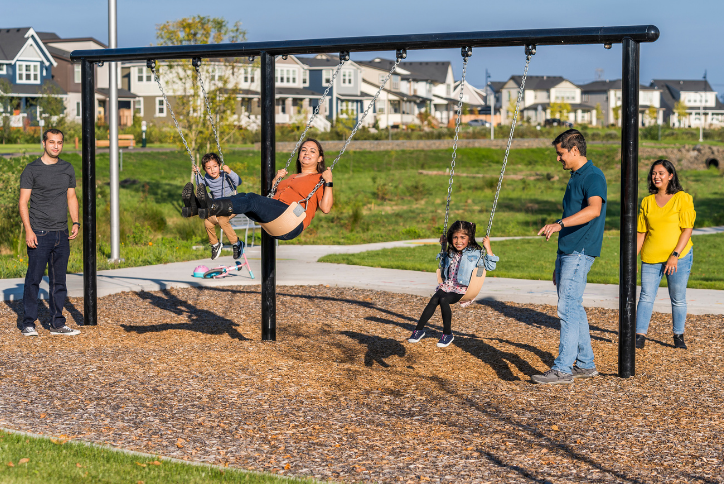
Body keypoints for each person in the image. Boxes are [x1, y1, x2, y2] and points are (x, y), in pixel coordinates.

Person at [533, 129, 607, 384]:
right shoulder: (576, 177)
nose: (558, 159)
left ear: (574, 150)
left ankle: (563, 369)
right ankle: (585, 364)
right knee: (574, 307)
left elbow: (594, 210)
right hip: (568, 251)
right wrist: (559, 259)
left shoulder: (593, 176)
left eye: (560, 153)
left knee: (566, 308)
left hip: (580, 250)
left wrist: (560, 224)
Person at [182, 139, 333, 240]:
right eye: (304, 150)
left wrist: (329, 182)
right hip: (275, 219)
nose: (307, 153)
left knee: (251, 199)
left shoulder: (319, 179)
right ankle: (197, 207)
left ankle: (210, 205)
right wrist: (276, 181)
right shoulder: (290, 177)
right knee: (243, 197)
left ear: (320, 158)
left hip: (292, 221)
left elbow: (325, 208)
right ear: (299, 155)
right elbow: (272, 198)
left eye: (312, 151)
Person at [18, 128, 80, 336]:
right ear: (44, 143)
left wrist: (76, 222)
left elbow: (71, 197)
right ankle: (28, 323)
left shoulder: (67, 168)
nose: (56, 146)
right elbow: (23, 202)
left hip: (61, 233)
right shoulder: (32, 169)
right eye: (52, 142)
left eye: (59, 142)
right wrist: (29, 230)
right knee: (33, 279)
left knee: (59, 282)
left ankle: (57, 324)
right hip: (39, 233)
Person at [635, 159, 695, 350]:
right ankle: (639, 335)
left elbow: (687, 229)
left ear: (670, 175)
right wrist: (632, 259)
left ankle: (678, 336)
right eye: (654, 173)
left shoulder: (682, 198)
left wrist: (675, 255)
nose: (656, 176)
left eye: (661, 173)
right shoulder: (646, 201)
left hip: (679, 257)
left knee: (677, 297)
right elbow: (641, 233)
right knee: (645, 296)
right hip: (651, 257)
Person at [408, 221, 498, 348]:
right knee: (435, 298)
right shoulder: (451, 252)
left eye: (463, 237)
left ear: (469, 238)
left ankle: (447, 334)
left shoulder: (476, 253)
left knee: (443, 299)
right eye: (455, 237)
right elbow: (444, 265)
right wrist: (444, 246)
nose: (458, 241)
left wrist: (488, 247)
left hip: (463, 289)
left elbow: (491, 265)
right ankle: (418, 330)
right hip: (448, 285)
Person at [189, 153, 244, 261]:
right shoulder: (207, 178)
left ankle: (237, 243)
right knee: (208, 222)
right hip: (219, 206)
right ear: (205, 170)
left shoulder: (225, 175)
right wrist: (197, 174)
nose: (213, 170)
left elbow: (238, 182)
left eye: (215, 166)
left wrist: (230, 171)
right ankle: (215, 244)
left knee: (222, 220)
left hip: (233, 203)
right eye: (208, 168)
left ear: (219, 166)